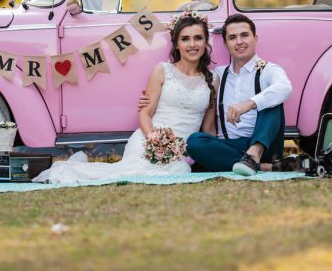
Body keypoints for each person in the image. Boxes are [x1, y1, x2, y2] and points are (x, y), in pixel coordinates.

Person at [33, 11, 216, 183]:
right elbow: (145, 114)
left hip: (182, 151)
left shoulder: (213, 79)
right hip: (149, 139)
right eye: (185, 39)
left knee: (179, 170)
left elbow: (209, 129)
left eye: (198, 38)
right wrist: (155, 141)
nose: (192, 44)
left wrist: (211, 155)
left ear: (205, 42)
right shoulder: (163, 70)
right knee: (134, 171)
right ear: (176, 44)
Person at [140, 13, 293, 176]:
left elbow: (284, 88)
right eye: (232, 37)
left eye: (245, 35)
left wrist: (249, 103)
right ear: (226, 44)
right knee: (195, 142)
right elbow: (209, 128)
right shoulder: (217, 75)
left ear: (255, 38)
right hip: (228, 147)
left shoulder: (269, 70)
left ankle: (254, 155)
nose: (239, 41)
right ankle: (262, 167)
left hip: (264, 145)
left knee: (272, 101)